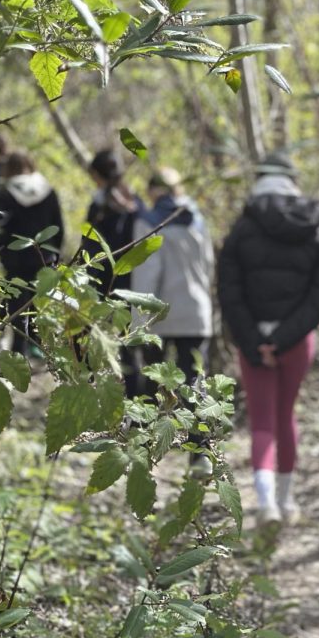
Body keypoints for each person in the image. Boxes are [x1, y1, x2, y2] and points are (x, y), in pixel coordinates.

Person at [218, 150, 319, 527]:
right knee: (286, 416)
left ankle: (266, 503)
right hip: (297, 342)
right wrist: (286, 337)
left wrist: (255, 340)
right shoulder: (310, 227)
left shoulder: (241, 230)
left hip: (255, 340)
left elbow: (228, 291)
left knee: (262, 420)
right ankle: (286, 502)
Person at [131, 168, 215, 454]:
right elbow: (208, 265)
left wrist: (138, 322)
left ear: (155, 191)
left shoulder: (148, 222)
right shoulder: (198, 220)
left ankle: (146, 443)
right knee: (194, 381)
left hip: (161, 314)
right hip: (196, 312)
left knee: (154, 376)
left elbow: (146, 273)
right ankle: (199, 449)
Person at [0, 150, 64, 357]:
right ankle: (37, 345)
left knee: (16, 303)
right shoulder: (47, 190)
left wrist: (1, 253)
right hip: (44, 256)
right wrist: (56, 252)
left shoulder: (5, 193)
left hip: (15, 258)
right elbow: (58, 224)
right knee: (39, 301)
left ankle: (18, 349)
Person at [81, 147, 142, 296]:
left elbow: (90, 245)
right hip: (133, 280)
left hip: (105, 282)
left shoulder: (99, 206)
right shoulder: (136, 202)